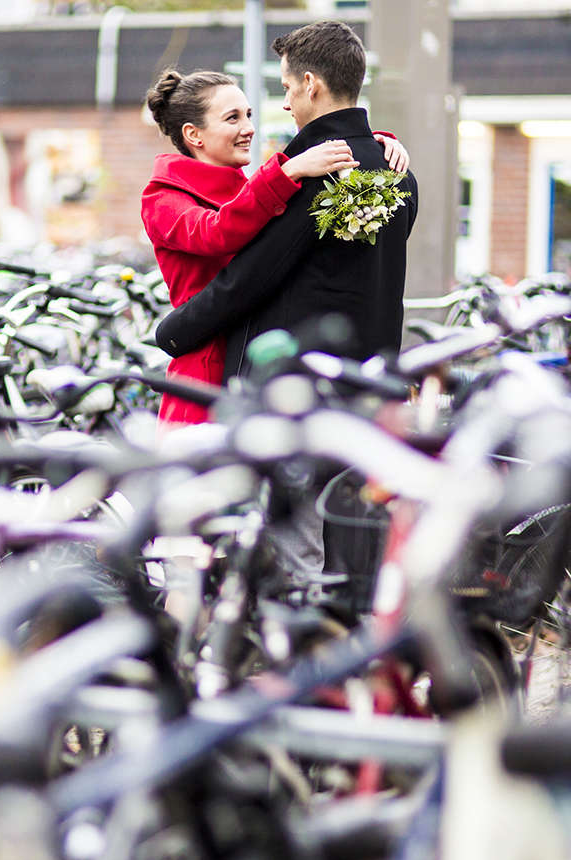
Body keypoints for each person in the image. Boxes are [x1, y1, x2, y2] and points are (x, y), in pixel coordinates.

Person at [154, 21, 419, 585]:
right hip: (370, 385)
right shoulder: (398, 173)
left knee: (293, 550)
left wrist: (173, 332)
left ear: (310, 84)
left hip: (298, 390)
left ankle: (287, 659)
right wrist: (383, 142)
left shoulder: (308, 175)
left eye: (286, 89)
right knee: (355, 546)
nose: (282, 105)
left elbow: (246, 279)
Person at [143, 66, 410, 425]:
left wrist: (374, 144)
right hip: (206, 368)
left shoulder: (248, 187)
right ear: (194, 135)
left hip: (256, 361)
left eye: (249, 115)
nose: (248, 128)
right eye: (233, 118)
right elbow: (216, 231)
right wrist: (288, 171)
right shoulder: (162, 198)